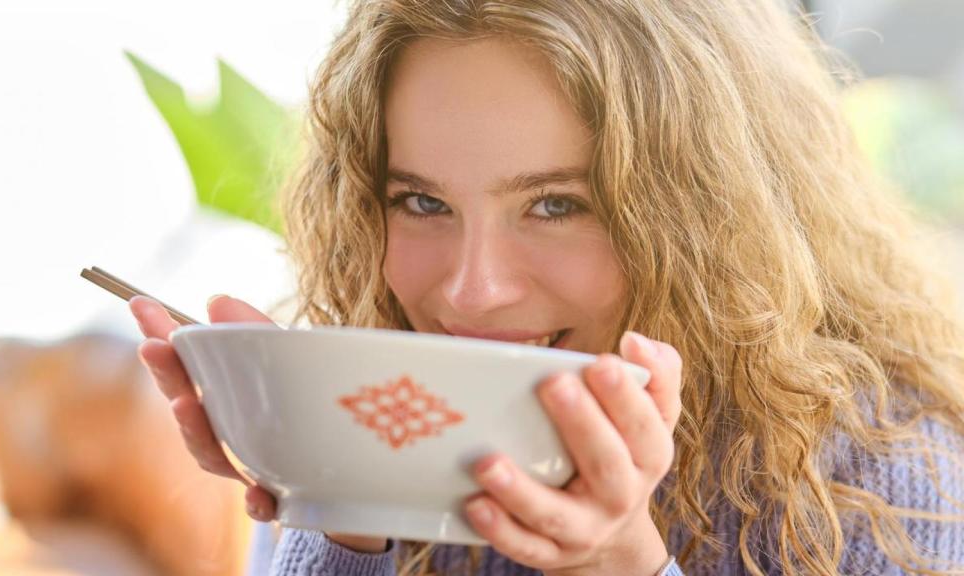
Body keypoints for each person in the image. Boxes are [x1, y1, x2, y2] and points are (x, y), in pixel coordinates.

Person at [129, 0, 964, 574]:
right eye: (421, 201)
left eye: (558, 204)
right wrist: (336, 501)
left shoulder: (881, 476)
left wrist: (621, 564)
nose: (472, 291)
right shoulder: (386, 406)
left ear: (710, 220)